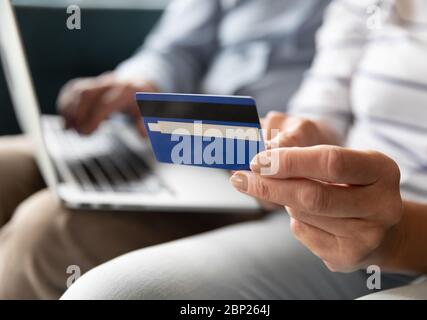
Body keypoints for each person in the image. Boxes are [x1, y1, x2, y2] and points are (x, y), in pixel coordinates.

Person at [62, 0, 427, 300]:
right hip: (343, 218)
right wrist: (301, 137)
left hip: (405, 230)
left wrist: (396, 234)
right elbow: (324, 103)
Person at [0, 0, 330, 299]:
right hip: (163, 132)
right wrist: (140, 85)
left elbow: (332, 116)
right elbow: (174, 48)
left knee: (46, 231)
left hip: (251, 173)